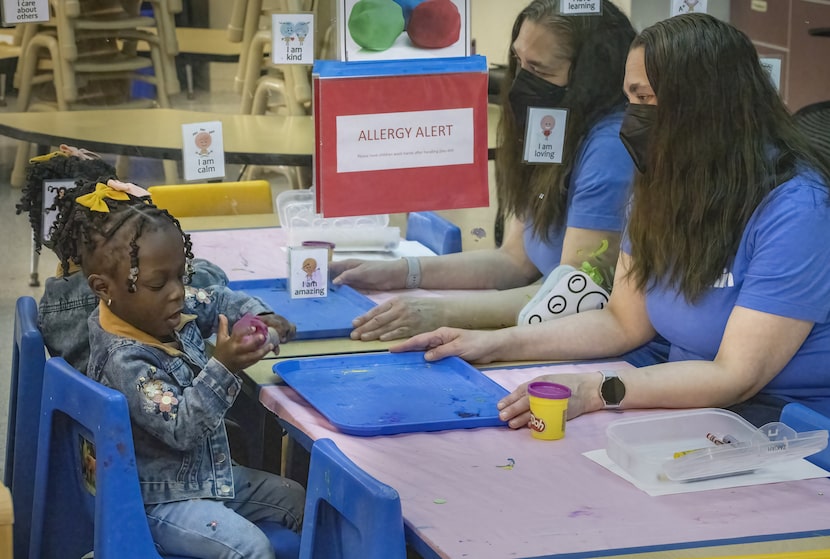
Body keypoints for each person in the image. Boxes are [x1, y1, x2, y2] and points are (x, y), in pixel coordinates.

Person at [392, 13, 830, 429]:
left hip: (781, 424)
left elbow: (736, 375)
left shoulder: (797, 209)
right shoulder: (664, 180)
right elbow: (623, 321)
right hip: (685, 396)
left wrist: (596, 390)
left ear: (703, 106)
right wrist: (497, 342)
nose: (632, 117)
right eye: (629, 98)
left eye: (645, 98)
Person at [330, 0, 637, 342]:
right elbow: (515, 261)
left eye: (540, 70)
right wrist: (400, 273)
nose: (522, 81)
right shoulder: (551, 124)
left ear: (590, 77)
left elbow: (571, 298)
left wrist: (440, 313)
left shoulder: (610, 150)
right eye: (519, 63)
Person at [48, 179, 303, 558]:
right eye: (158, 282)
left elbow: (214, 297)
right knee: (250, 548)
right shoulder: (125, 360)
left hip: (203, 478)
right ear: (104, 288)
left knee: (296, 498)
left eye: (180, 276)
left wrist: (258, 314)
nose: (177, 292)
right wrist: (224, 366)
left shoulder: (160, 310)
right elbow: (182, 426)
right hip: (159, 501)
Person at [16, 148, 228, 373]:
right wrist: (146, 229)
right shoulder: (129, 286)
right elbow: (215, 277)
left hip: (88, 405)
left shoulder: (51, 305)